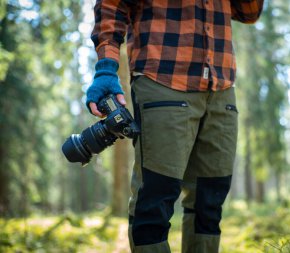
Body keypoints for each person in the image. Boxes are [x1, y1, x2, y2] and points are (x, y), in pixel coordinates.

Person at [86, 1, 264, 252]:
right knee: (154, 201)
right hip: (163, 77)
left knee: (209, 203)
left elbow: (249, 13)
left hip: (221, 86)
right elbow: (111, 4)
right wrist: (106, 68)